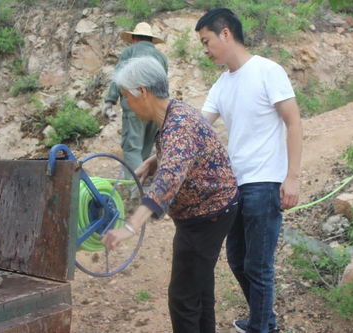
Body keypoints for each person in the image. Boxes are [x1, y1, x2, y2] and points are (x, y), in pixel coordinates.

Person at [102, 56, 239, 333]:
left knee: (183, 299)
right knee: (198, 291)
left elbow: (167, 181)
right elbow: (181, 155)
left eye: (127, 96)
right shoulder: (176, 114)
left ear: (143, 92)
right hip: (211, 211)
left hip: (206, 216)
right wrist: (154, 159)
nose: (126, 104)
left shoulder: (179, 126)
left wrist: (130, 227)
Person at [195, 8, 303, 333]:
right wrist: (165, 153)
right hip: (234, 186)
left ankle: (260, 328)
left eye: (206, 41)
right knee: (237, 260)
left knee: (258, 266)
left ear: (225, 33)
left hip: (265, 184)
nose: (205, 49)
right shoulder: (221, 84)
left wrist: (292, 177)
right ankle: (265, 321)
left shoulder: (267, 71)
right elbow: (199, 128)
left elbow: (294, 121)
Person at [102, 22, 168, 175]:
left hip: (135, 105)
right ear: (151, 40)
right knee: (145, 148)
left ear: (134, 38)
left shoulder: (129, 52)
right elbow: (163, 83)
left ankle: (136, 190)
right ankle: (138, 184)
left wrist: (109, 101)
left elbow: (118, 78)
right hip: (156, 107)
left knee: (132, 148)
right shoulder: (161, 57)